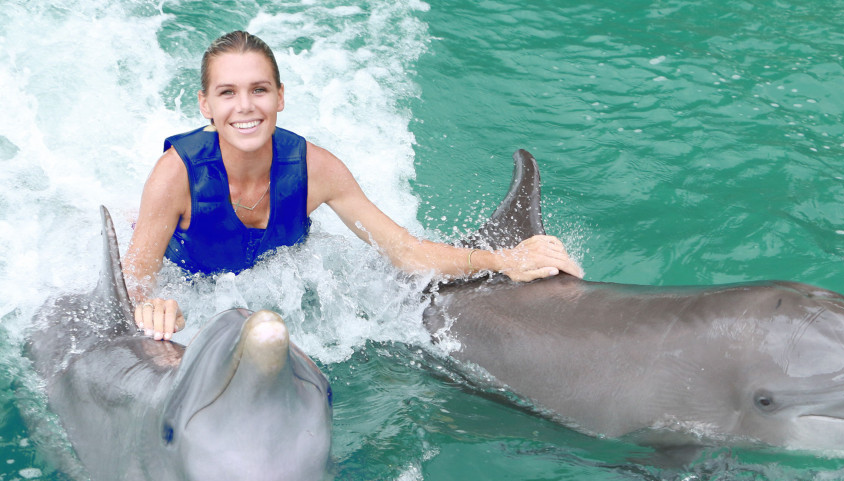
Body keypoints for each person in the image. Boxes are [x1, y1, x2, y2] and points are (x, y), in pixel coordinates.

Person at [123, 31, 582, 340]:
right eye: (227, 93)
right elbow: (135, 281)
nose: (246, 107)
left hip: (269, 275)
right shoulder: (175, 175)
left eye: (259, 90)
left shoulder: (317, 170)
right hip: (192, 278)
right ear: (205, 104)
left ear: (280, 97)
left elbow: (404, 251)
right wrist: (153, 305)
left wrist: (502, 259)